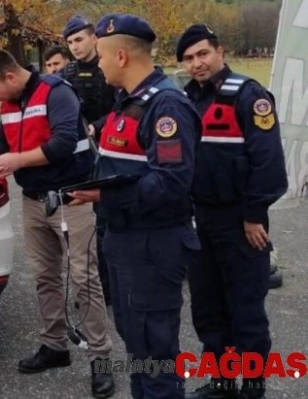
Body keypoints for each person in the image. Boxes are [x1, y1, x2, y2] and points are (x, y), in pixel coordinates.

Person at [69, 13, 201, 399]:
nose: (99, 64)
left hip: (153, 246)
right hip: (125, 243)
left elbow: (173, 182)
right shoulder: (127, 103)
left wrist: (105, 196)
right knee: (137, 344)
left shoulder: (166, 107)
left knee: (155, 348)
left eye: (102, 57)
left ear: (122, 56)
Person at [0, 48, 115, 399]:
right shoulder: (9, 104)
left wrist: (16, 161)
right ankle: (55, 346)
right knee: (45, 277)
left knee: (84, 279)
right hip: (35, 201)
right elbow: (2, 140)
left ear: (8, 77)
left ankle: (101, 360)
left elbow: (65, 142)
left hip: (72, 199)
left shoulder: (56, 92)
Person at [177, 23, 288, 399]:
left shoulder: (249, 96)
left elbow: (269, 164)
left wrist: (254, 215)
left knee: (246, 311)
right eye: (189, 58)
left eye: (203, 54)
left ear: (220, 52)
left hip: (241, 222)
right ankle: (222, 383)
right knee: (208, 309)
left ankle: (253, 387)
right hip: (199, 220)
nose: (197, 63)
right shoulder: (186, 100)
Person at [60, 15, 118, 305]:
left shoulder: (111, 68)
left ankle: (109, 288)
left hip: (109, 151)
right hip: (78, 159)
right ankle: (87, 286)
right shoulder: (66, 74)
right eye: (70, 42)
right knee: (77, 228)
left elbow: (125, 107)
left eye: (79, 39)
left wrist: (98, 125)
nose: (75, 46)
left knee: (106, 224)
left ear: (94, 38)